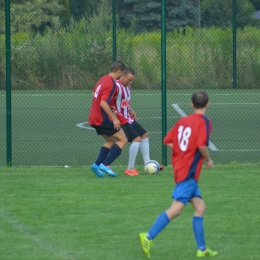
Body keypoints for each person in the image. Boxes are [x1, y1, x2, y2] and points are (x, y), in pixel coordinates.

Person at [139, 90, 218, 258]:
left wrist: (182, 152)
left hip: (181, 168)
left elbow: (167, 141)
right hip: (188, 172)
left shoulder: (182, 121)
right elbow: (201, 145)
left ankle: (202, 249)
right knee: (176, 210)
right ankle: (148, 237)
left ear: (191, 104)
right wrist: (208, 160)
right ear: (207, 105)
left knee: (200, 207)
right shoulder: (205, 122)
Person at [112, 67, 164, 176]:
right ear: (122, 76)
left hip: (128, 117)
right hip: (121, 119)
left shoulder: (127, 86)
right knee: (136, 139)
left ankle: (148, 165)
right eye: (129, 80)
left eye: (132, 80)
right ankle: (130, 169)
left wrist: (130, 109)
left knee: (144, 135)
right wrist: (114, 117)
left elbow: (123, 101)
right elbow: (110, 101)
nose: (130, 82)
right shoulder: (115, 86)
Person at [88, 60, 128, 178]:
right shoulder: (111, 83)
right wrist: (114, 118)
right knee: (123, 140)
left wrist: (108, 106)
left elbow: (94, 94)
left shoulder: (102, 79)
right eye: (122, 74)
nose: (121, 77)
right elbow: (103, 103)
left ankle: (96, 165)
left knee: (110, 141)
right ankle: (105, 164)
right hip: (101, 119)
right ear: (119, 71)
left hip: (93, 118)